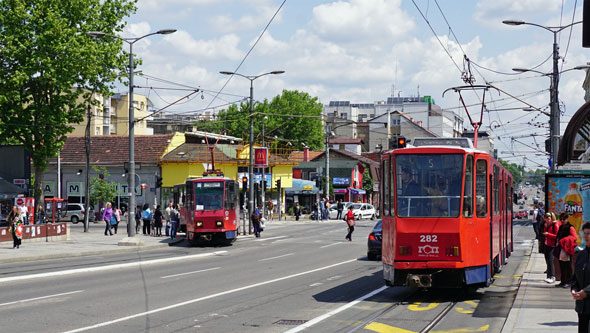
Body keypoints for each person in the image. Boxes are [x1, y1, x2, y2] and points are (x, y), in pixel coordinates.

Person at [571, 222, 590, 331]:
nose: (586, 236)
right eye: (585, 233)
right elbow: (575, 276)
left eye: (589, 234)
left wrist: (586, 292)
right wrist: (574, 288)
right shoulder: (581, 254)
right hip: (582, 306)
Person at [556, 212, 577, 288]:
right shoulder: (561, 227)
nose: (562, 221)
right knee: (561, 265)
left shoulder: (570, 227)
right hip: (561, 248)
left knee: (567, 266)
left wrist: (564, 240)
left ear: (567, 219)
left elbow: (575, 237)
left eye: (563, 219)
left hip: (567, 249)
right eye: (561, 219)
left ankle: (568, 281)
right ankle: (563, 281)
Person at [543, 212, 561, 284]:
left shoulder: (555, 225)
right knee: (548, 260)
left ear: (549, 218)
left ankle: (552, 276)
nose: (545, 221)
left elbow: (557, 236)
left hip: (552, 245)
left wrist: (548, 234)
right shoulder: (548, 224)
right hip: (547, 244)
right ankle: (549, 276)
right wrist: (545, 227)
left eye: (545, 220)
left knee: (551, 260)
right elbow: (545, 233)